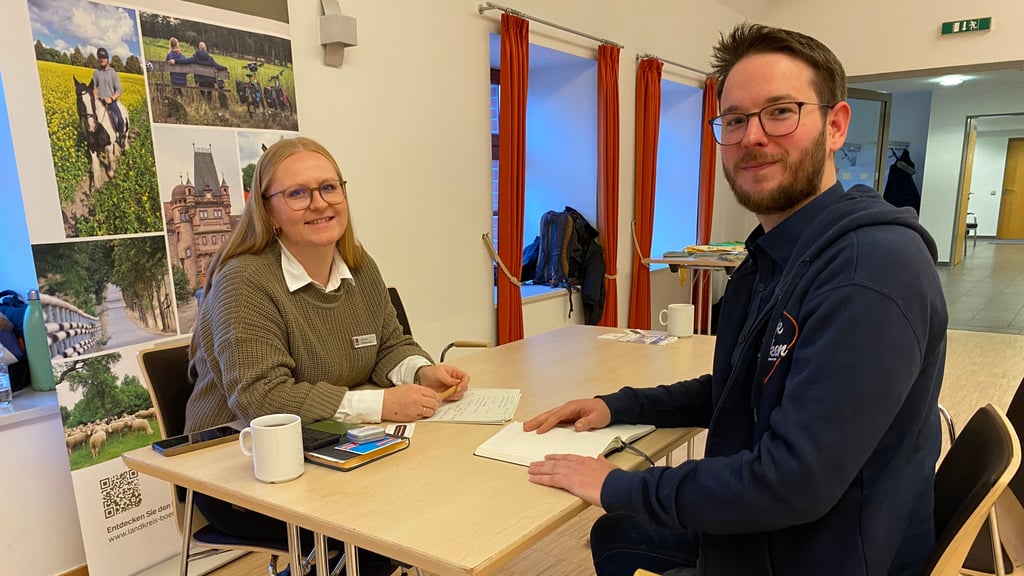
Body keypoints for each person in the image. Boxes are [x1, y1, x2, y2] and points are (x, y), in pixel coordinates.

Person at [524, 23, 947, 576]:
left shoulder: (867, 271)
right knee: (617, 532)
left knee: (621, 513)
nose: (753, 137)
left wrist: (621, 484)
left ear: (836, 125)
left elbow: (790, 483)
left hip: (820, 552)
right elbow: (738, 389)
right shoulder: (776, 255)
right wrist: (618, 406)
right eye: (736, 120)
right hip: (781, 534)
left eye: (781, 112)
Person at [186, 136, 470, 576]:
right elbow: (261, 398)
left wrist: (421, 371)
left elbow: (388, 344)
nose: (319, 203)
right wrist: (380, 403)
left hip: (327, 443)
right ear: (268, 211)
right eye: (297, 193)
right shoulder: (244, 281)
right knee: (380, 525)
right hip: (238, 471)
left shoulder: (358, 264)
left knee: (420, 493)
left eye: (329, 188)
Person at [91, 47, 125, 148]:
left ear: (107, 59)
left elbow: (119, 90)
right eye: (100, 57)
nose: (102, 60)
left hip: (111, 102)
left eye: (104, 58)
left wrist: (111, 99)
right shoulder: (96, 73)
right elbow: (93, 87)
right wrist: (95, 97)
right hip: (100, 102)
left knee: (120, 120)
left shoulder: (113, 73)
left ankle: (121, 138)